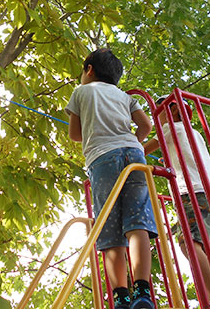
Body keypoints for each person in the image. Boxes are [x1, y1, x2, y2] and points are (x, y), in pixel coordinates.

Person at [66, 48, 157, 309]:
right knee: (137, 221)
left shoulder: (80, 92)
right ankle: (143, 291)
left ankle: (122, 297)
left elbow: (75, 134)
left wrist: (96, 131)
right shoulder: (124, 96)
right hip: (135, 157)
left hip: (103, 159)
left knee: (110, 228)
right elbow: (146, 126)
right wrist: (133, 142)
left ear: (89, 69)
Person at [143, 95, 210, 307]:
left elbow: (141, 151)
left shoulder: (170, 129)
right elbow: (187, 157)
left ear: (174, 111)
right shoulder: (194, 134)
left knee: (188, 244)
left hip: (192, 192)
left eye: (159, 112)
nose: (156, 118)